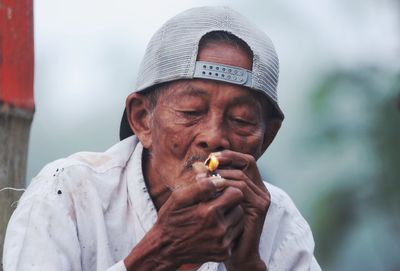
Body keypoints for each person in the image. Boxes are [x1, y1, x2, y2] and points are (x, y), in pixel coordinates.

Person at [3, 6, 321, 271]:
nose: (214, 137)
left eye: (241, 120)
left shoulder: (279, 223)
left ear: (267, 137)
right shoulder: (68, 194)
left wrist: (248, 264)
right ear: (142, 119)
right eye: (192, 111)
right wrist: (161, 251)